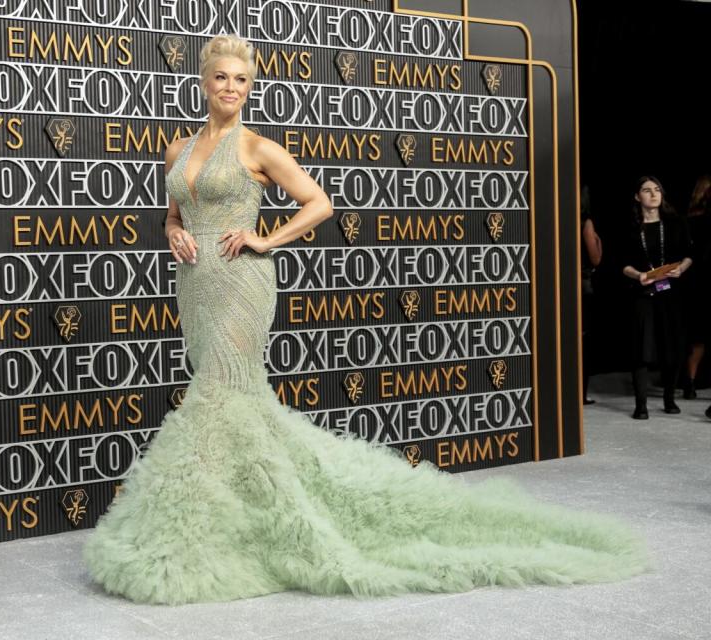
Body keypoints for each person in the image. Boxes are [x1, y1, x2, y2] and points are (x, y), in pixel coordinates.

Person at [81, 34, 648, 605]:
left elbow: (319, 203)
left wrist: (264, 239)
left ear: (250, 88)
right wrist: (173, 232)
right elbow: (174, 214)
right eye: (222, 77)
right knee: (229, 402)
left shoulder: (259, 149)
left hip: (242, 285)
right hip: (195, 286)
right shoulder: (176, 151)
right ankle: (238, 519)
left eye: (242, 80)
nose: (231, 88)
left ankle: (206, 533)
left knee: (221, 396)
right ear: (203, 82)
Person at [619, 177, 692, 419]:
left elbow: (689, 254)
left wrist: (681, 268)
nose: (653, 194)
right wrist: (639, 275)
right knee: (641, 348)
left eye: (657, 189)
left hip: (670, 292)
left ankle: (669, 399)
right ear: (637, 197)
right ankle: (641, 405)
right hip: (642, 293)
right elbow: (621, 264)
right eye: (647, 190)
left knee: (671, 346)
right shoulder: (631, 227)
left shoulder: (674, 223)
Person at [683, 175, 711, 401]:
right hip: (701, 280)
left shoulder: (690, 220)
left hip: (695, 281)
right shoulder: (697, 221)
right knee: (699, 337)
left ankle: (690, 384)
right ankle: (690, 383)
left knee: (698, 338)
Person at [581, 186, 603, 404]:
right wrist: (598, 241)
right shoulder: (585, 222)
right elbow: (595, 258)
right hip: (582, 283)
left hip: (558, 283)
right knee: (582, 339)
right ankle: (581, 392)